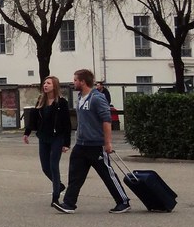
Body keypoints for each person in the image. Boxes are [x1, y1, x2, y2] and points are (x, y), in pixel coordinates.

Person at [53, 68, 130, 214]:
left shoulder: (96, 97)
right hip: (81, 144)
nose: (73, 82)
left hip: (96, 144)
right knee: (75, 175)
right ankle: (69, 203)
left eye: (75, 80)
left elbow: (106, 120)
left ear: (83, 82)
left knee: (107, 174)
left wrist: (107, 143)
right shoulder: (81, 98)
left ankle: (123, 201)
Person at [23, 76, 72, 206]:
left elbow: (67, 124)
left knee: (53, 166)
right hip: (43, 137)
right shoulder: (41, 101)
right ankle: (59, 185)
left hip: (57, 137)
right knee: (45, 167)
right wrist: (27, 133)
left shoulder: (61, 102)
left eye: (48, 83)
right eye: (44, 83)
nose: (45, 85)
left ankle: (55, 197)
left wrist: (67, 143)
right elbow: (34, 119)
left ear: (54, 86)